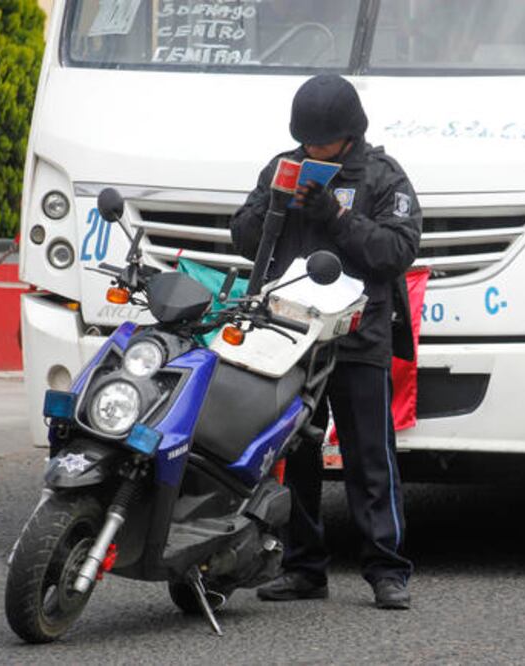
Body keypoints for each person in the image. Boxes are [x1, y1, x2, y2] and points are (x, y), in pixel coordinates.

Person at [229, 74, 422, 610]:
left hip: (359, 334)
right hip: (290, 336)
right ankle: (304, 568)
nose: (312, 150)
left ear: (349, 133)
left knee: (368, 456)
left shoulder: (383, 176)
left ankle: (387, 569)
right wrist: (275, 204)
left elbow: (396, 251)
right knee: (296, 453)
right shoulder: (282, 169)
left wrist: (336, 218)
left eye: (322, 143)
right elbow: (242, 239)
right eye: (306, 141)